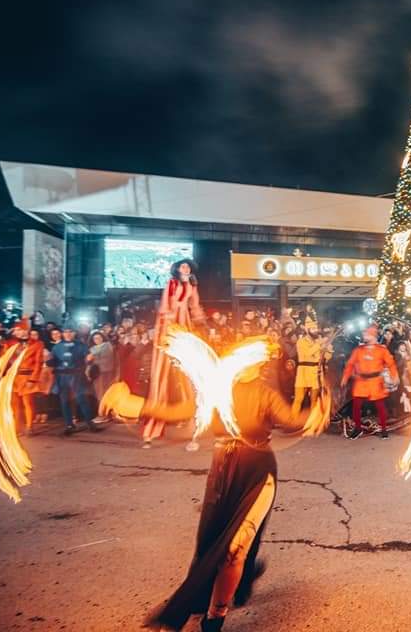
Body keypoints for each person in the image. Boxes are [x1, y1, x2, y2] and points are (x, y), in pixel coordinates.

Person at [98, 348, 330, 631]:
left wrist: (315, 413)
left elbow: (291, 420)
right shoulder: (216, 390)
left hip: (257, 473)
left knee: (235, 549)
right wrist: (132, 403)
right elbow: (175, 411)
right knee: (212, 543)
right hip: (223, 473)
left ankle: (214, 619)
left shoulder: (264, 393)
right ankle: (241, 581)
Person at [144, 259, 206, 449]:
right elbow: (165, 305)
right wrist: (169, 322)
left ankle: (194, 428)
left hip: (184, 323)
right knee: (161, 375)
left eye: (188, 267)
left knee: (189, 376)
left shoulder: (192, 285)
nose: (185, 269)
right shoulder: (171, 283)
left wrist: (200, 319)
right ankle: (151, 431)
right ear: (177, 269)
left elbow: (195, 306)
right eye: (182, 266)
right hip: (170, 324)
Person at [341, 326, 398, 440]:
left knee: (380, 406)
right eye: (364, 334)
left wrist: (394, 376)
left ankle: (383, 429)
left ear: (373, 336)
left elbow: (391, 363)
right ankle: (358, 429)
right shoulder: (358, 350)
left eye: (366, 335)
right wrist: (345, 377)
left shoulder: (382, 350)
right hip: (361, 382)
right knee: (356, 406)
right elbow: (350, 364)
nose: (364, 336)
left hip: (376, 382)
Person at [49, 326, 102, 435]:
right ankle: (69, 424)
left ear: (74, 333)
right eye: (65, 332)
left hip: (76, 375)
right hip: (62, 376)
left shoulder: (81, 345)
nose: (68, 334)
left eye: (70, 332)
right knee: (64, 401)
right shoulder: (57, 347)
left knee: (82, 399)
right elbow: (52, 361)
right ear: (62, 334)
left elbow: (88, 359)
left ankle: (90, 422)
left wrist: (89, 360)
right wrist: (48, 362)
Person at [291, 318, 332, 418]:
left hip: (316, 372)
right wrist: (320, 344)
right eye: (312, 328)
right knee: (298, 398)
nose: (315, 330)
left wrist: (328, 348)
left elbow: (327, 357)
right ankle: (292, 420)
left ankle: (312, 422)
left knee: (314, 399)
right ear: (307, 330)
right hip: (303, 372)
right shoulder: (301, 341)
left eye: (316, 328)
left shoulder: (318, 341)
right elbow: (308, 352)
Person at [13, 325, 45, 435]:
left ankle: (29, 426)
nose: (23, 333)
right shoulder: (11, 343)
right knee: (14, 404)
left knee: (28, 403)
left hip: (27, 377)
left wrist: (33, 379)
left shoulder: (37, 344)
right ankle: (16, 427)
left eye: (25, 331)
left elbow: (38, 363)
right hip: (13, 377)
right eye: (20, 331)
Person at [87, 330, 116, 408]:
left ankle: (105, 412)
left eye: (99, 338)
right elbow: (88, 361)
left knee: (105, 392)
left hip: (105, 372)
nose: (97, 340)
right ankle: (101, 411)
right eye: (95, 338)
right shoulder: (92, 348)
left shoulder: (107, 345)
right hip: (96, 373)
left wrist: (92, 357)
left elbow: (108, 358)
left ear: (102, 338)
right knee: (98, 392)